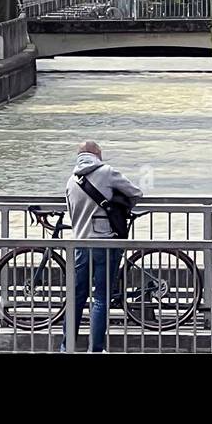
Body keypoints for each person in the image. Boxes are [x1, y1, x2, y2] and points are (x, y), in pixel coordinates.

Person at [63, 141, 144, 353]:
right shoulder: (106, 172)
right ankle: (96, 349)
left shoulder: (71, 180)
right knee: (100, 298)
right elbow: (136, 193)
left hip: (79, 244)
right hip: (106, 242)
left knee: (76, 297)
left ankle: (67, 346)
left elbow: (71, 212)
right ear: (98, 154)